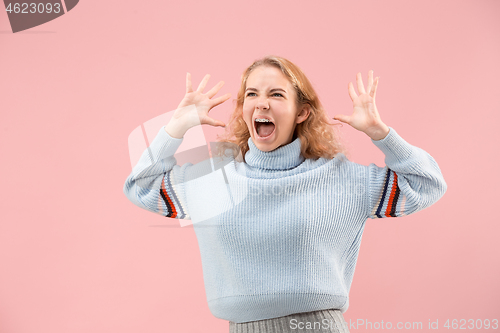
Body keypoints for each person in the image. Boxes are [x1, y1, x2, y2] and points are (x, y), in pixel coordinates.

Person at [123, 55, 447, 333]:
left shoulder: (337, 177)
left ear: (302, 112)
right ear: (243, 108)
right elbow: (141, 186)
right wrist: (175, 129)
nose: (261, 102)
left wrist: (381, 134)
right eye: (252, 93)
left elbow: (427, 184)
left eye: (276, 94)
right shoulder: (215, 178)